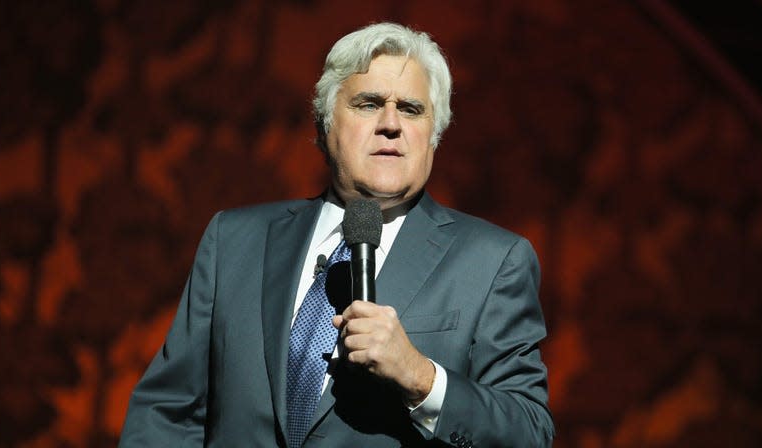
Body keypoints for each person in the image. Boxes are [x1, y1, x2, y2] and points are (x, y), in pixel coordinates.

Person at [119, 22, 554, 447]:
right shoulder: (234, 240)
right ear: (325, 125)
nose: (391, 124)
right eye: (368, 104)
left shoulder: (494, 260)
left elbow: (529, 431)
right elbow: (167, 412)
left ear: (433, 136)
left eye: (411, 108)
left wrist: (421, 378)